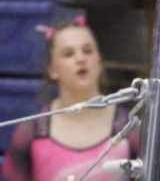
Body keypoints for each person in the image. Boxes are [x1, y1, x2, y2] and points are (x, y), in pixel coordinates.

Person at [1, 16, 141, 181]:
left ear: (99, 61)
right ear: (52, 69)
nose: (81, 59)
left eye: (87, 50)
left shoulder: (130, 129)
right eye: (68, 54)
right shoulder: (31, 132)